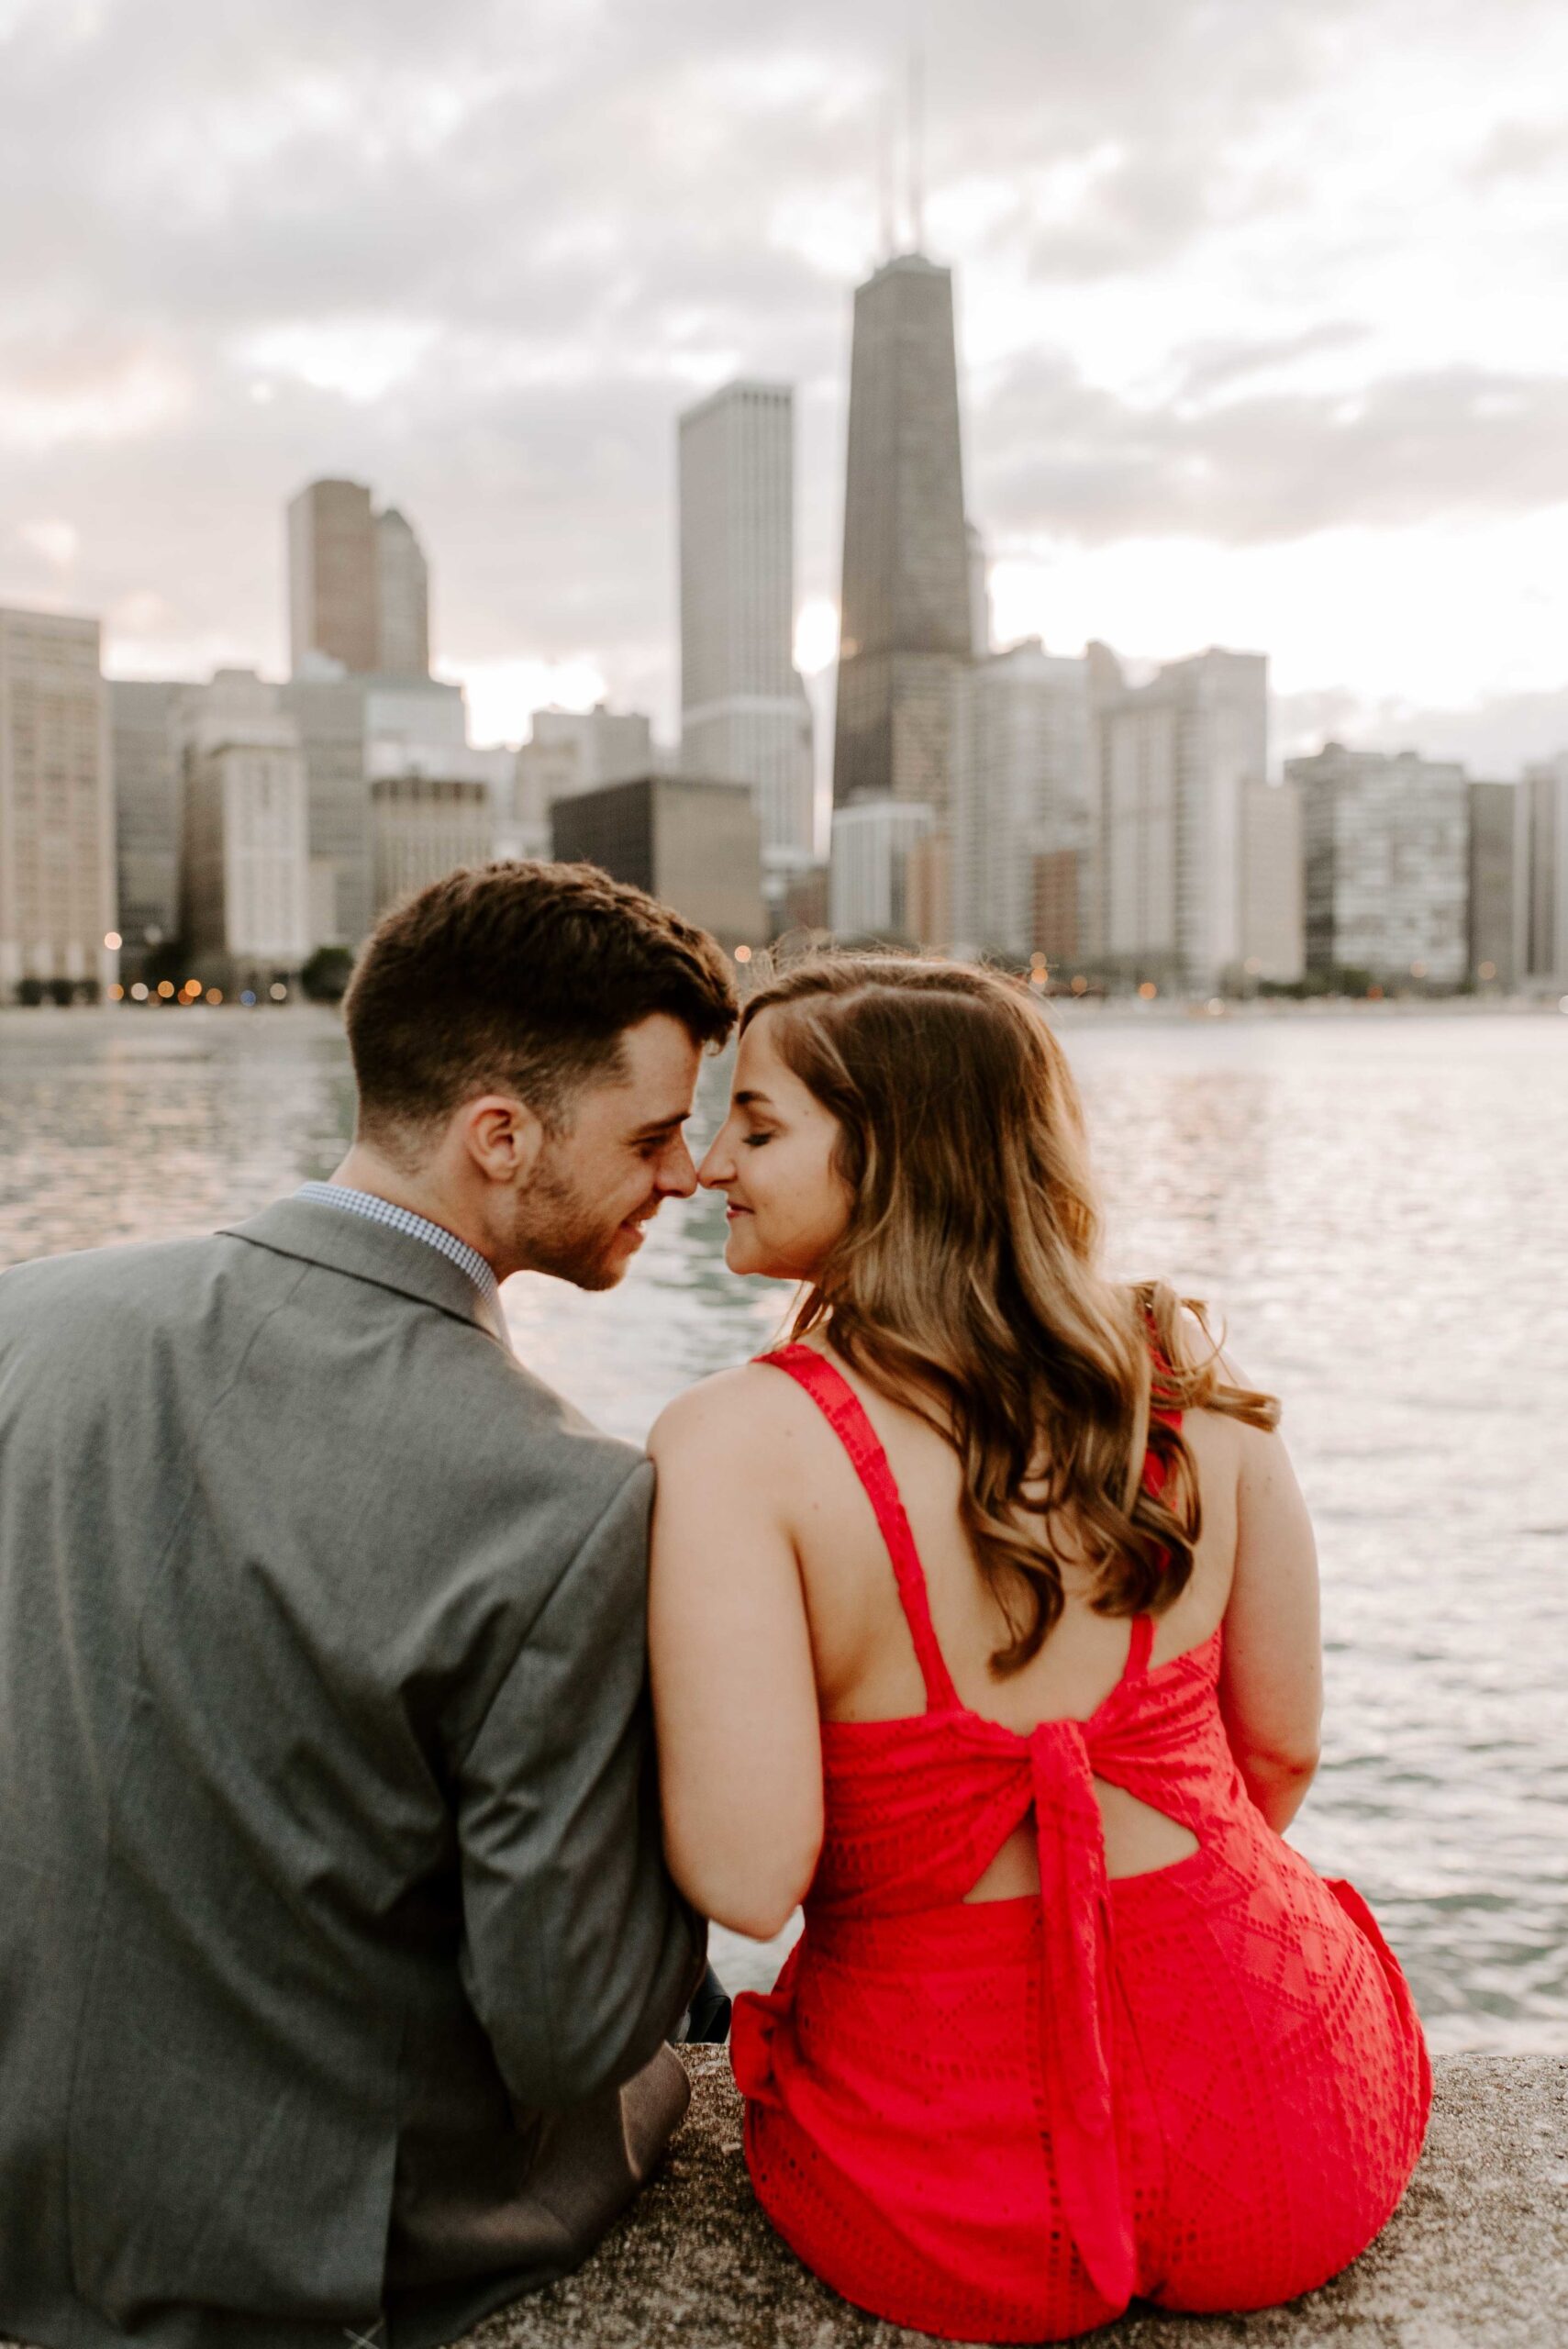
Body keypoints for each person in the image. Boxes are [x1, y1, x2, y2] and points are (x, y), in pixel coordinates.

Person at [0, 862, 736, 2349]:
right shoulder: (568, 1499)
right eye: (654, 1134)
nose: (688, 1175)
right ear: (500, 1133)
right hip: (299, 2252)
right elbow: (565, 2028)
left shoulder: (30, 1316)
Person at [648, 954, 1431, 2343]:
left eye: (756, 1128)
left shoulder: (736, 1444)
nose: (709, 1166)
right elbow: (1280, 1749)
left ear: (896, 1153)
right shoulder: (1183, 1376)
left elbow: (747, 1879)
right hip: (1290, 2130)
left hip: (937, 2190)